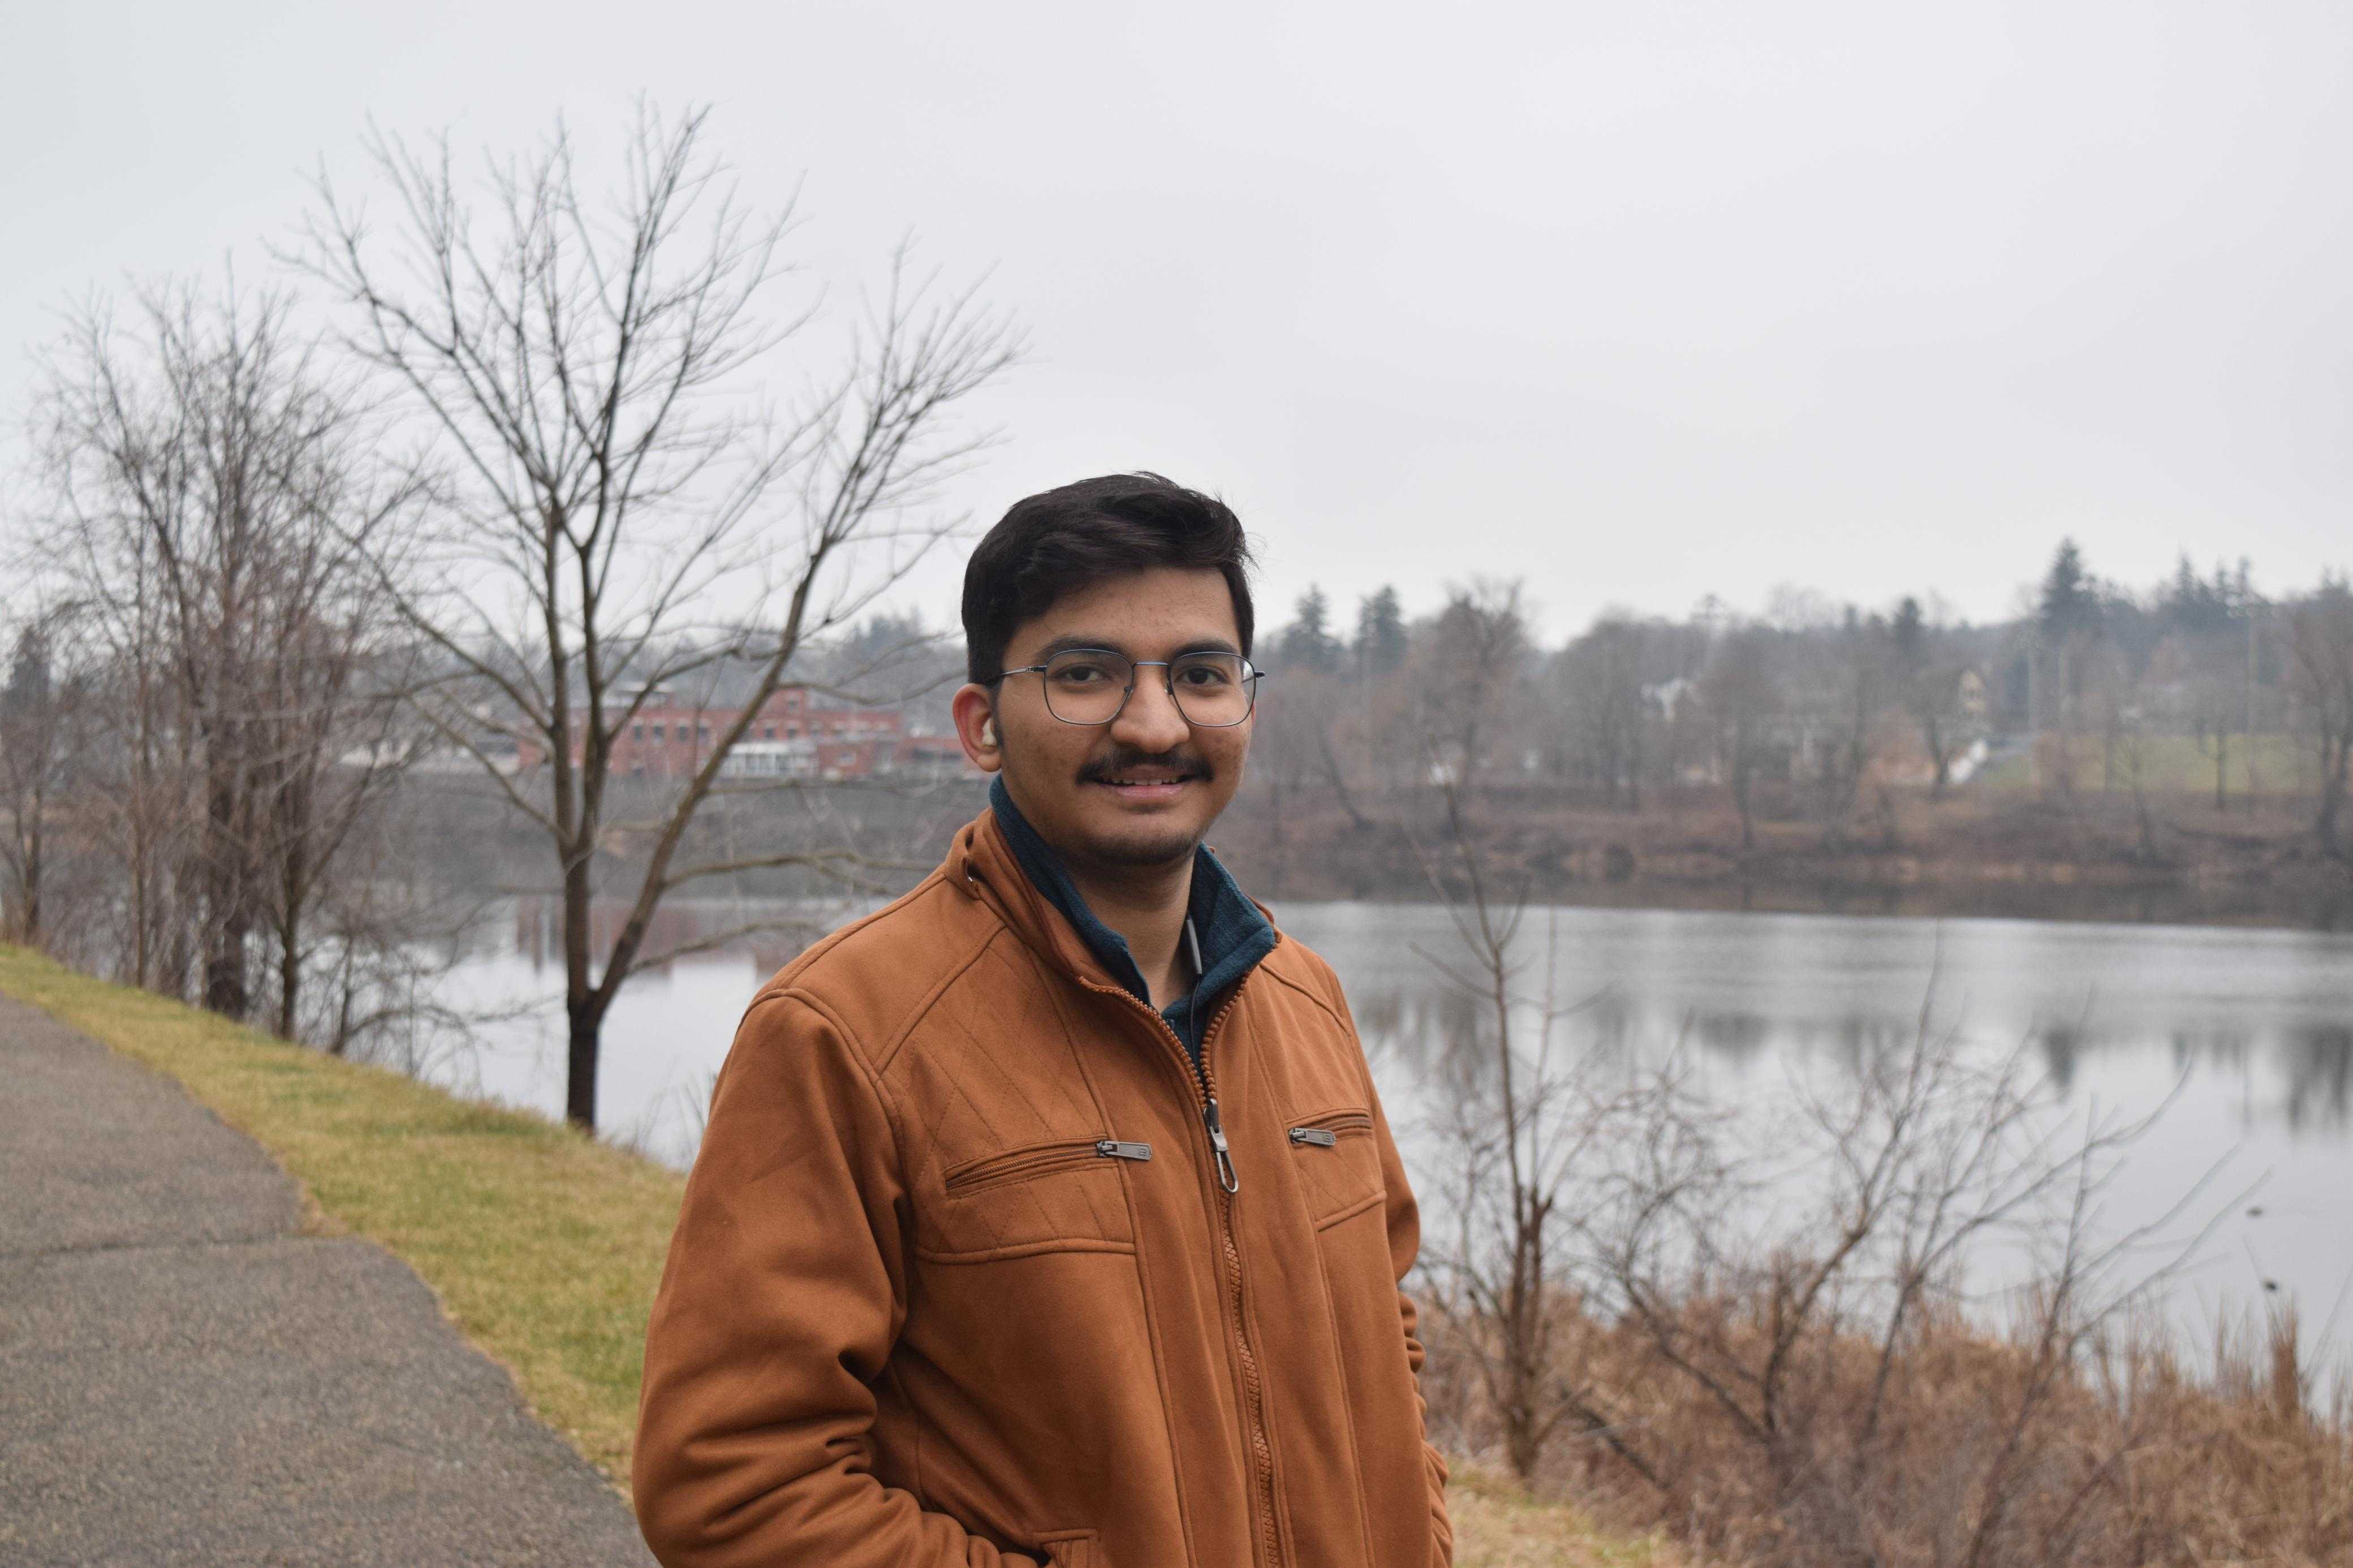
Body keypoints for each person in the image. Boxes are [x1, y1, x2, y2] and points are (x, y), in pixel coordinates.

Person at [632, 473, 1453, 1568]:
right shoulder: (844, 1032)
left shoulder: (1305, 999)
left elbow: (1385, 1339)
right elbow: (729, 1481)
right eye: (1085, 675)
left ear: (1245, 704)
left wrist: (1419, 1533)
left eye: (1201, 675)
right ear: (981, 725)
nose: (1154, 722)